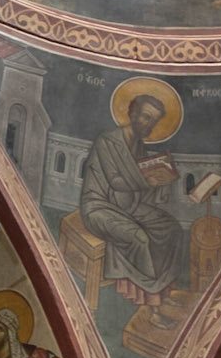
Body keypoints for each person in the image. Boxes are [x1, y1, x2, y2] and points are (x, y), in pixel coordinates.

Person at [78, 92, 187, 312]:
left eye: (154, 120)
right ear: (132, 113)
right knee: (139, 238)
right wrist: (149, 180)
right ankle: (151, 303)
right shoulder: (107, 141)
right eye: (146, 117)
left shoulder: (139, 146)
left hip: (129, 207)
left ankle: (162, 289)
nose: (150, 124)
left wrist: (162, 180)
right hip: (99, 207)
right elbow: (117, 182)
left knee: (173, 229)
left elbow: (141, 189)